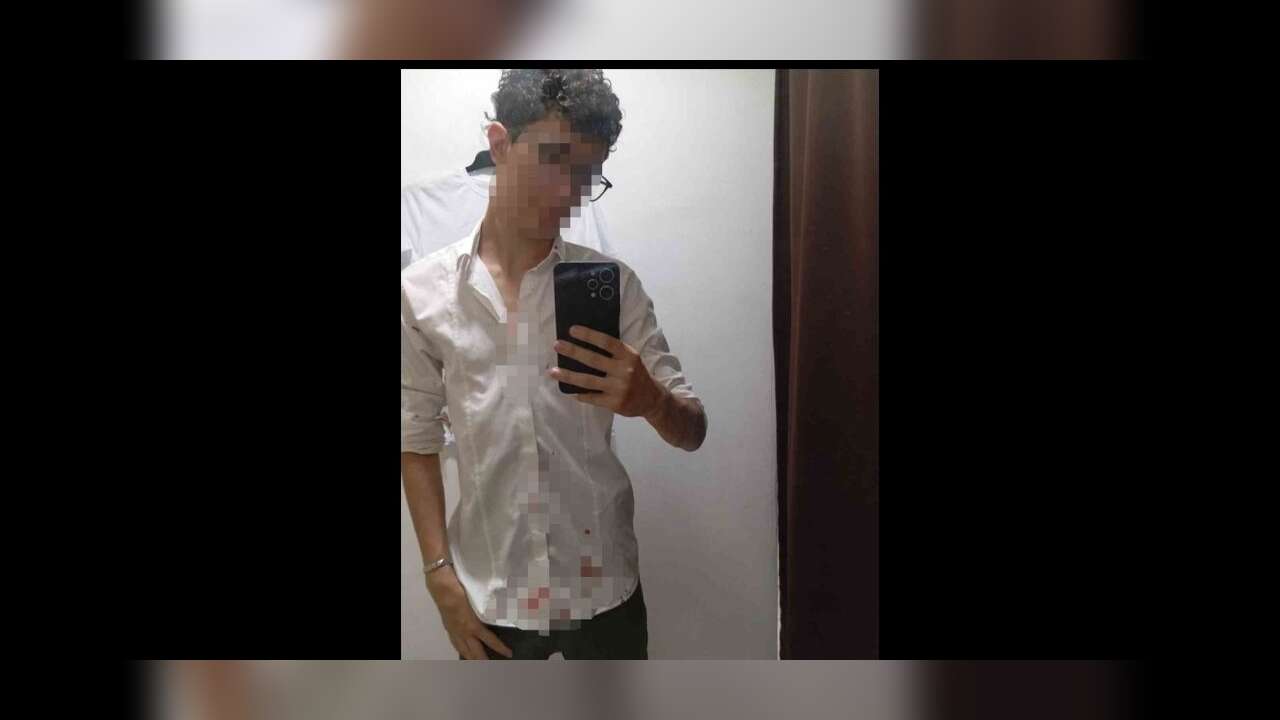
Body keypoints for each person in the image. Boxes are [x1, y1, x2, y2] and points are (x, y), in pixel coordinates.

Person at [401, 69, 708, 659]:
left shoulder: (615, 286)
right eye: (553, 159)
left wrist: (651, 401)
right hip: (492, 595)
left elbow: (692, 429)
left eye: (587, 173)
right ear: (499, 144)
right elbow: (414, 439)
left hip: (605, 590)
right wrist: (438, 576)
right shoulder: (422, 294)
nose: (568, 191)